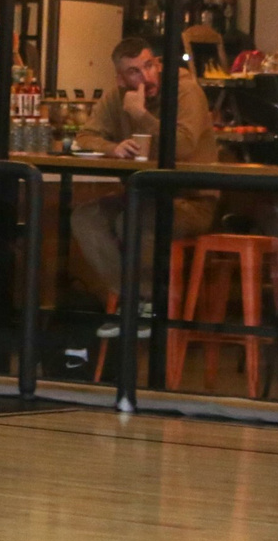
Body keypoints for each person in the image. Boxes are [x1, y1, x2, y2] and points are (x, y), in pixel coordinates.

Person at [70, 36, 216, 335]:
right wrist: (112, 148)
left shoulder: (185, 90)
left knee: (134, 219)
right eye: (134, 71)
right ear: (120, 78)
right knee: (85, 218)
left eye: (149, 66)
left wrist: (141, 115)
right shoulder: (116, 97)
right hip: (141, 194)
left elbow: (183, 146)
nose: (146, 76)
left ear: (158, 64)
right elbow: (84, 137)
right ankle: (134, 299)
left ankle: (150, 304)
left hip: (193, 200)